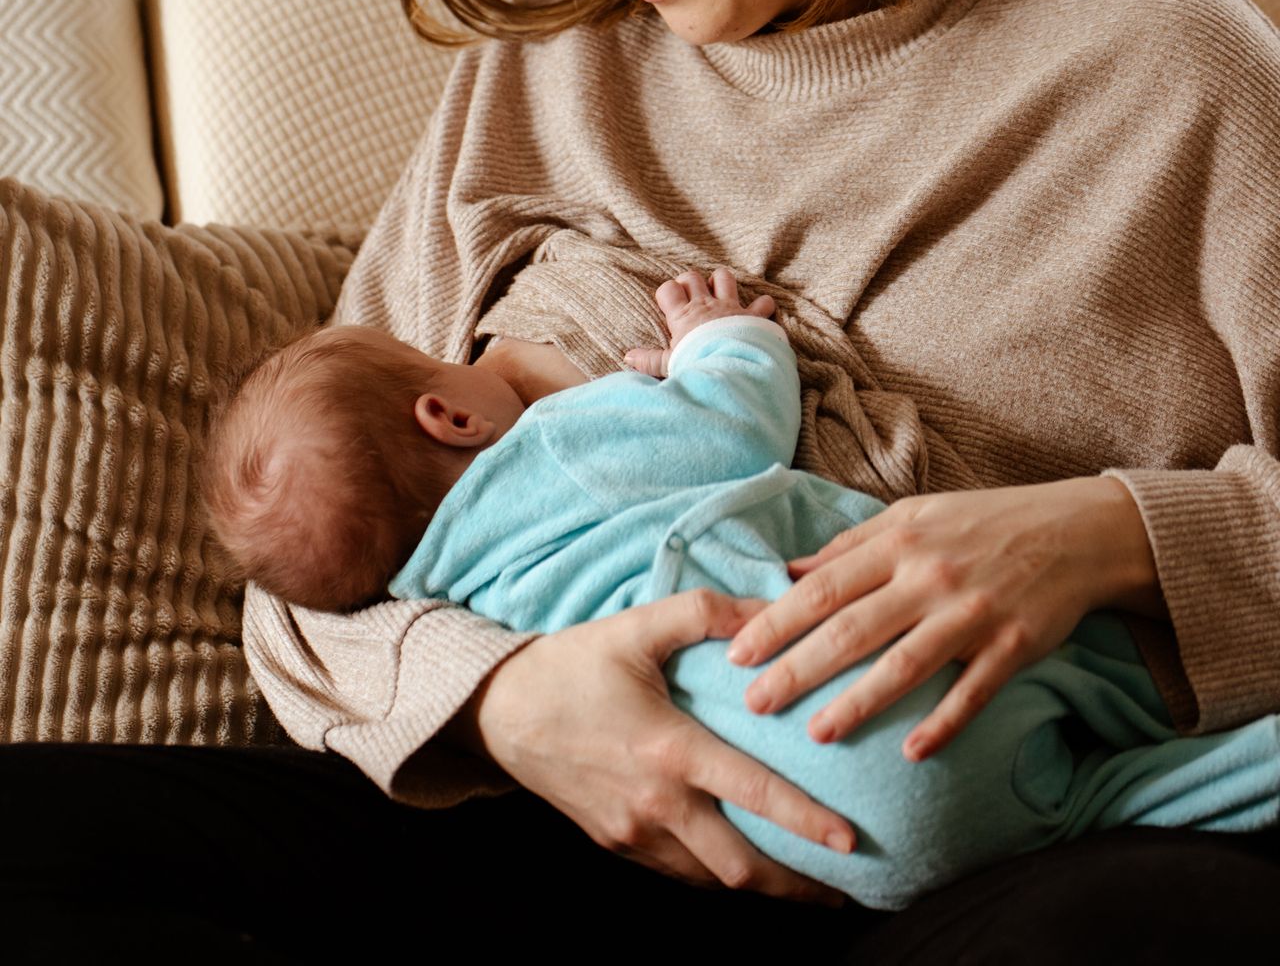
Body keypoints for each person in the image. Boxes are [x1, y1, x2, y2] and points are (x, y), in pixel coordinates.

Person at [6, 0, 1280, 963]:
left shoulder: (1174, 74)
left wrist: (1097, 535)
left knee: (1164, 926)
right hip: (556, 840)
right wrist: (510, 701)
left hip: (968, 861)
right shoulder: (552, 77)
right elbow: (312, 569)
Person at [205, 271, 1280, 911]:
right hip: (895, 695)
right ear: (448, 416)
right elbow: (730, 419)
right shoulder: (563, 447)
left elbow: (317, 582)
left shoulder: (441, 581)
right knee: (1108, 705)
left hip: (799, 841)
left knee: (1106, 814)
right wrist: (716, 339)